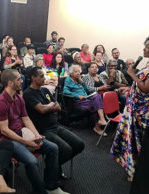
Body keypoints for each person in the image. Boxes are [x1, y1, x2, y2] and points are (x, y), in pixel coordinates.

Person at [0, 69, 72, 194]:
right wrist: (26, 142)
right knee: (32, 161)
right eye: (18, 79)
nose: (22, 81)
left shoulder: (18, 98)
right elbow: (5, 131)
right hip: (7, 141)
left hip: (21, 134)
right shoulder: (0, 103)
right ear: (10, 83)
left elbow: (26, 119)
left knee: (53, 148)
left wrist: (36, 135)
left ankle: (51, 187)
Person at [23, 67, 84, 177]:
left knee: (79, 144)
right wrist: (51, 105)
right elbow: (42, 110)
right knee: (66, 150)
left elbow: (59, 107)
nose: (44, 78)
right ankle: (52, 173)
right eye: (41, 76)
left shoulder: (45, 90)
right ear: (33, 78)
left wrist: (48, 107)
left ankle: (53, 166)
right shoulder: (28, 93)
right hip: (42, 131)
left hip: (55, 126)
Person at [111, 36, 149, 182]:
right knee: (133, 141)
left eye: (146, 47)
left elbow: (146, 88)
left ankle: (138, 172)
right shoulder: (147, 64)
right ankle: (133, 169)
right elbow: (141, 84)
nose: (144, 49)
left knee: (139, 142)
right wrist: (129, 87)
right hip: (136, 108)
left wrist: (132, 74)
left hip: (143, 112)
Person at [63, 65, 108, 136]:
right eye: (76, 72)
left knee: (97, 96)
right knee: (96, 104)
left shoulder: (79, 80)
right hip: (78, 101)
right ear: (71, 73)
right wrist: (78, 96)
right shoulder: (68, 79)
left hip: (86, 98)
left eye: (79, 72)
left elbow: (87, 90)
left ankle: (101, 120)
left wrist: (83, 83)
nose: (78, 73)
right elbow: (65, 91)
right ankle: (98, 127)